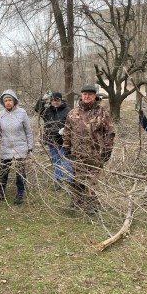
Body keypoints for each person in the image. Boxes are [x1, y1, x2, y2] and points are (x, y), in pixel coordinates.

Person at [62, 85, 115, 213]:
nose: (87, 96)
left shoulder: (102, 112)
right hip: (77, 153)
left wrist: (108, 149)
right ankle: (76, 202)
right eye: (85, 94)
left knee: (92, 181)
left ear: (94, 96)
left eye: (90, 94)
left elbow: (109, 132)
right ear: (81, 95)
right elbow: (67, 131)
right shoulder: (73, 113)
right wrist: (66, 147)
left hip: (95, 154)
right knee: (77, 179)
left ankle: (92, 206)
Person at [0, 89, 33, 205]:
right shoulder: (1, 115)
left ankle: (20, 193)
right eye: (5, 100)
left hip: (20, 147)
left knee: (20, 172)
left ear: (14, 101)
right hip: (6, 147)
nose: (8, 102)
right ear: (3, 103)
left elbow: (28, 131)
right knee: (3, 172)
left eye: (10, 100)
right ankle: (1, 192)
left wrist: (30, 145)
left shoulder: (22, 113)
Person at [34, 91, 73, 190]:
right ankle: (58, 181)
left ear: (61, 100)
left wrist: (66, 130)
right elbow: (37, 109)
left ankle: (71, 181)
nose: (55, 102)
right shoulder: (47, 110)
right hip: (51, 140)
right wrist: (43, 99)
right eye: (53, 100)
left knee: (67, 161)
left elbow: (73, 123)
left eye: (57, 100)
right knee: (56, 162)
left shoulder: (67, 110)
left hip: (64, 141)